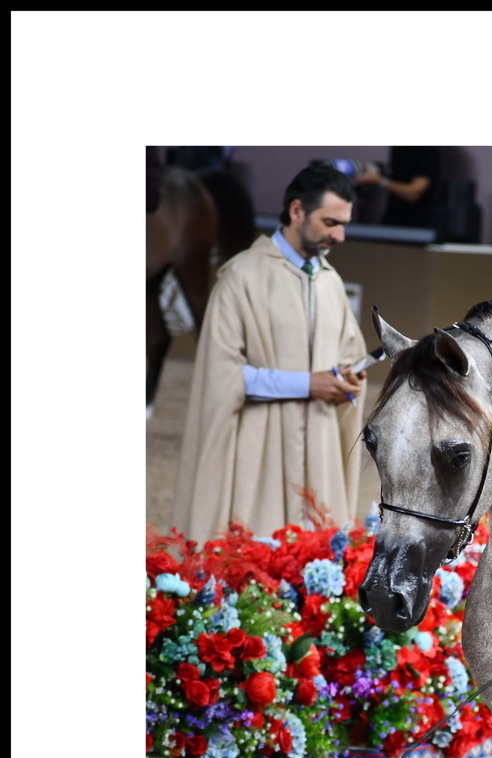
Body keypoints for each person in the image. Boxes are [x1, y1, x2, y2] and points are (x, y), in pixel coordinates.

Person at [170, 164, 368, 543]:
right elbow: (221, 375)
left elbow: (347, 357)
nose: (340, 235)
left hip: (320, 453)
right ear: (297, 211)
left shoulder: (331, 283)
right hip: (259, 453)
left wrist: (350, 382)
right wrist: (306, 384)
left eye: (343, 224)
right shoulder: (241, 277)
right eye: (330, 222)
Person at [353, 146, 440, 229]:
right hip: (392, 220)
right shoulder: (397, 150)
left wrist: (380, 180)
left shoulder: (425, 150)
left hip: (416, 225)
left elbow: (414, 194)